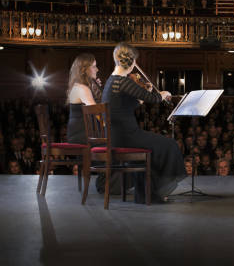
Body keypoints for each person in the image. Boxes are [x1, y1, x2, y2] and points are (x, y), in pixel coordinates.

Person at [102, 42, 186, 203]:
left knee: (156, 147)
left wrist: (144, 94)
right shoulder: (123, 81)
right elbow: (153, 98)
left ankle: (148, 193)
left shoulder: (111, 81)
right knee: (169, 145)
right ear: (132, 61)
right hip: (127, 136)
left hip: (117, 135)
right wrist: (164, 93)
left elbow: (129, 105)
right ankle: (157, 190)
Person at [66, 53, 100, 144]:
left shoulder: (79, 86)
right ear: (84, 69)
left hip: (80, 134)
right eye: (94, 66)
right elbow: (97, 113)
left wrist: (95, 92)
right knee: (116, 141)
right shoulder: (82, 88)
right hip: (81, 136)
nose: (97, 69)